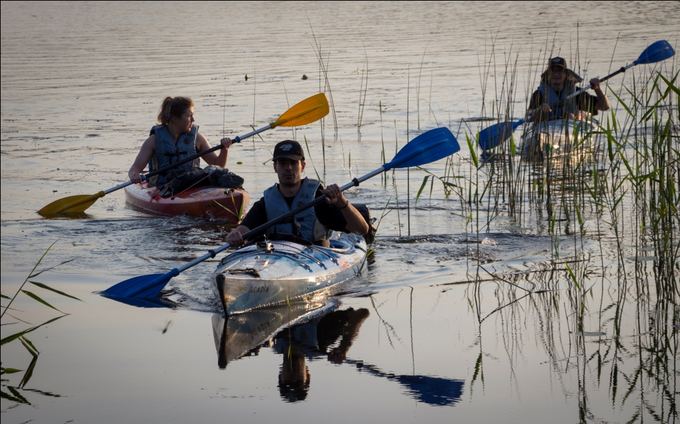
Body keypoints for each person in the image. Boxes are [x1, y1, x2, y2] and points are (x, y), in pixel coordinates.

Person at [225, 140, 370, 247]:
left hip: (316, 257)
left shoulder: (320, 200)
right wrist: (235, 235)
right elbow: (243, 229)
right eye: (282, 163)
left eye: (293, 163)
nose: (288, 168)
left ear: (303, 166)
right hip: (280, 259)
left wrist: (342, 202)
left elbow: (361, 229)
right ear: (275, 167)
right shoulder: (266, 203)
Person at [128, 96, 243, 197]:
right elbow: (134, 169)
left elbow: (218, 165)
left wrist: (224, 149)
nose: (193, 119)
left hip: (192, 183)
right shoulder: (153, 141)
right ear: (174, 118)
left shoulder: (197, 138)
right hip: (163, 187)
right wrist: (135, 176)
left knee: (213, 171)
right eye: (189, 116)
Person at [526, 56, 610, 123]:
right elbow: (529, 116)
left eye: (560, 71)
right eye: (553, 71)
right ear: (548, 74)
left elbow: (604, 107)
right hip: (547, 130)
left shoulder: (577, 93)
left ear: (566, 74)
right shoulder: (539, 94)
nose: (556, 74)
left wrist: (597, 89)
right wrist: (540, 110)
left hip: (570, 129)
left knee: (572, 116)